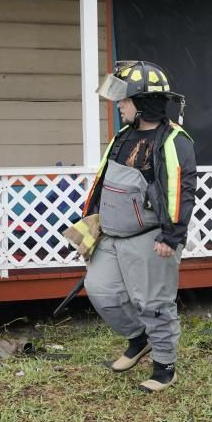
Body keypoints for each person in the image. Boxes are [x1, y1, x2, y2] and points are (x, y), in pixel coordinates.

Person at [82, 60, 197, 393]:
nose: (119, 105)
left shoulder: (174, 140)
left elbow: (181, 188)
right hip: (111, 235)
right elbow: (104, 180)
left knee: (154, 304)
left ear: (143, 102)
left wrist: (172, 235)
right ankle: (138, 338)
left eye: (124, 100)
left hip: (150, 239)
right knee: (101, 291)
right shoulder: (123, 136)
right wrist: (90, 219)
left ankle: (164, 367)